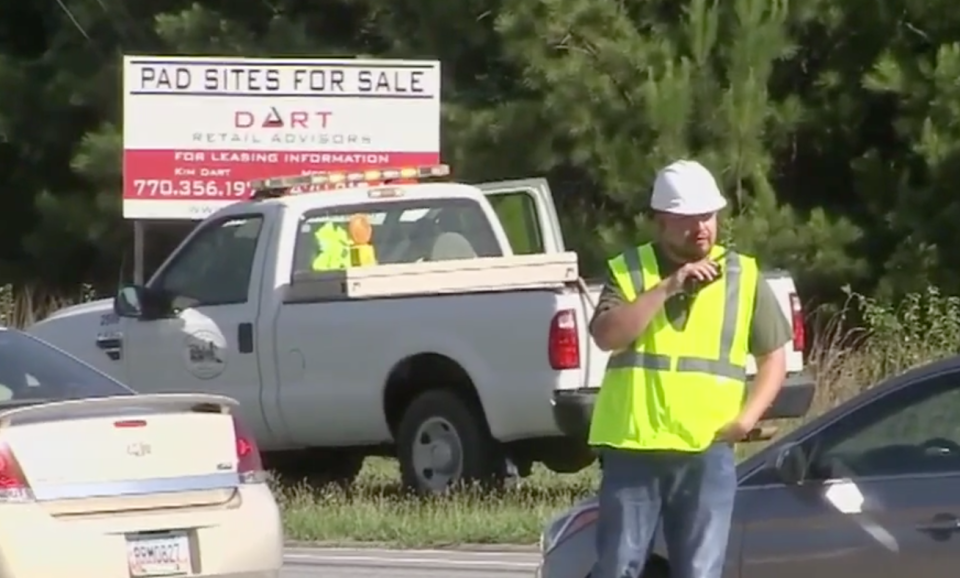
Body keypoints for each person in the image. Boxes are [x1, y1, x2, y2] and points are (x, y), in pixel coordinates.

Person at [588, 160, 790, 578]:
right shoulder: (629, 270)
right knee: (618, 568)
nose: (702, 228)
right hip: (634, 448)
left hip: (706, 450)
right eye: (688, 220)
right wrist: (667, 286)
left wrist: (746, 419)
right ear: (661, 222)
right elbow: (608, 336)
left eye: (709, 217)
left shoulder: (742, 275)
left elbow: (774, 358)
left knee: (700, 571)